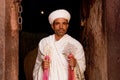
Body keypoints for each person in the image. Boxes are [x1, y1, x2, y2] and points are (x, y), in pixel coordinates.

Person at [33, 9, 86, 80]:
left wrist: (75, 64)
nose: (61, 27)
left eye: (64, 23)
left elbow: (82, 67)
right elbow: (37, 65)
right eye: (57, 23)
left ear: (67, 26)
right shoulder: (44, 43)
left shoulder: (75, 44)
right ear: (52, 26)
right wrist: (42, 66)